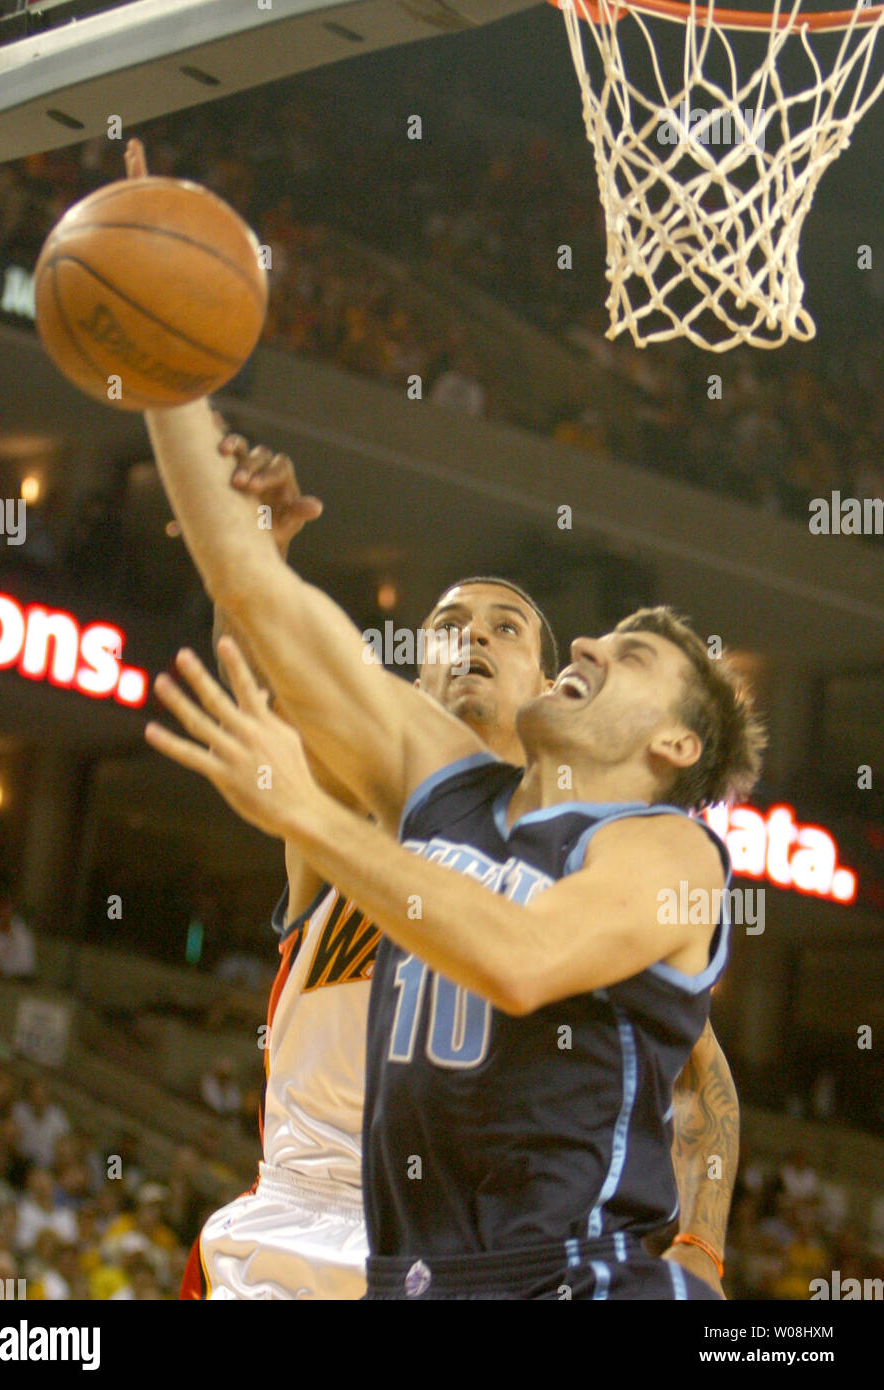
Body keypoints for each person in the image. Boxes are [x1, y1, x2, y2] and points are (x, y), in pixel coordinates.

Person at [142, 400, 763, 1300]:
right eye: (448, 622)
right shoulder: (395, 783)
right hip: (318, 1227)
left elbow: (693, 1086)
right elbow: (267, 633)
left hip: (522, 1263)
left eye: (506, 626)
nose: (472, 636)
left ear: (550, 685)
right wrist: (173, 384)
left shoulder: (639, 857)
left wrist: (700, 1249)